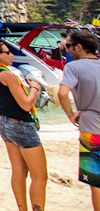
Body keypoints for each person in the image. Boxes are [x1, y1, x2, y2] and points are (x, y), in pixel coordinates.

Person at [0, 35, 47, 211]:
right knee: (40, 176)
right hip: (21, 125)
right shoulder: (7, 75)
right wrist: (34, 88)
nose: (11, 56)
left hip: (4, 124)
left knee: (19, 172)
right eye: (7, 53)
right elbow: (26, 104)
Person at [60, 29, 100, 210]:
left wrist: (70, 113)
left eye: (68, 46)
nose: (66, 50)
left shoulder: (72, 67)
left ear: (79, 47)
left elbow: (62, 93)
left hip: (91, 127)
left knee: (96, 179)